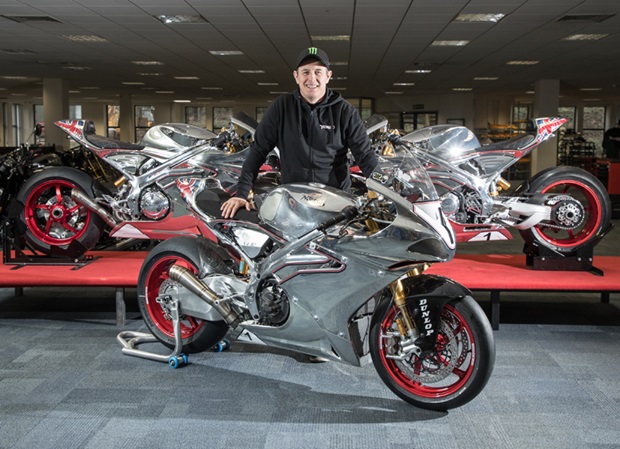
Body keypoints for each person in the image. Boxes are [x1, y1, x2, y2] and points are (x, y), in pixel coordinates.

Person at [220, 47, 378, 219]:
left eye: (318, 72)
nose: (312, 78)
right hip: (294, 201)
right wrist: (241, 194)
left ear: (328, 76)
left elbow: (365, 156)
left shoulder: (345, 112)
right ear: (296, 76)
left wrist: (385, 192)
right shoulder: (282, 107)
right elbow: (258, 151)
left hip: (336, 202)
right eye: (305, 72)